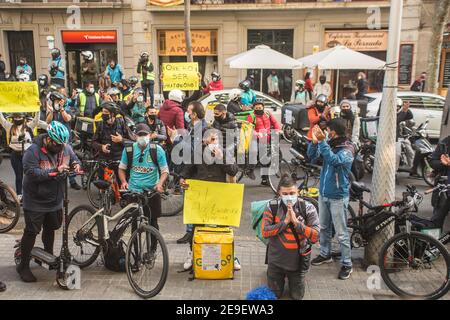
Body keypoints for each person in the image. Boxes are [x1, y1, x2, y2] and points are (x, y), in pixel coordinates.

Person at [17, 121, 81, 282]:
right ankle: (23, 265)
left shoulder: (64, 147)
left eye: (62, 144)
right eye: (57, 144)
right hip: (35, 199)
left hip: (55, 198)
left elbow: (74, 159)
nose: (61, 148)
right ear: (49, 140)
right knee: (31, 231)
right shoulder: (33, 151)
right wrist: (54, 171)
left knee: (51, 227)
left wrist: (76, 165)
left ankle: (47, 254)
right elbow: (31, 173)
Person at [179, 130, 240, 270]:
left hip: (219, 197)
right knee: (196, 227)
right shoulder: (197, 153)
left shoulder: (224, 152)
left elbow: (233, 170)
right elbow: (186, 171)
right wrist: (182, 180)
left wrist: (221, 157)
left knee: (223, 227)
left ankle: (231, 255)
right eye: (212, 139)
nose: (215, 142)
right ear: (205, 141)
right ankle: (192, 253)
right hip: (201, 196)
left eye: (217, 139)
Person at [308, 119, 355, 280]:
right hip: (324, 193)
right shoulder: (328, 143)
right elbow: (312, 157)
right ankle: (325, 254)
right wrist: (314, 143)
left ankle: (347, 264)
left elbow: (334, 161)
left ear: (334, 131)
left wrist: (322, 142)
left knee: (342, 233)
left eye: (328, 130)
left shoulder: (347, 148)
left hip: (338, 197)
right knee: (324, 227)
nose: (326, 132)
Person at [262, 175, 319, 300]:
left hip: (297, 264)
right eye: (285, 194)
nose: (289, 197)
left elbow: (315, 237)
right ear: (279, 193)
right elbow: (265, 232)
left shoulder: (308, 208)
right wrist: (285, 222)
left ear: (298, 192)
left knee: (297, 296)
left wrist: (297, 223)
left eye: (292, 193)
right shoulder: (272, 207)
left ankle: (295, 280)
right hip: (276, 262)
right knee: (274, 295)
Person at [118, 123, 168, 256]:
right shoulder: (129, 150)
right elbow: (121, 169)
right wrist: (123, 182)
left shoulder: (157, 150)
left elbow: (164, 171)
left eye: (144, 135)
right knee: (134, 225)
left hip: (152, 192)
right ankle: (136, 254)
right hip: (134, 191)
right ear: (135, 136)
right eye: (139, 135)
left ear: (150, 135)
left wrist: (160, 184)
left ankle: (152, 250)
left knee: (153, 222)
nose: (142, 137)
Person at [175, 102, 208, 245]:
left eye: (188, 111)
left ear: (194, 114)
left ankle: (192, 234)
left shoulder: (202, 129)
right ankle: (190, 232)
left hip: (197, 173)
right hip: (191, 171)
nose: (186, 114)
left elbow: (194, 153)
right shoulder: (193, 127)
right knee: (190, 204)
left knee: (194, 204)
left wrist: (177, 141)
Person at [0, 112, 46, 199]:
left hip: (27, 155)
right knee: (19, 175)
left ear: (24, 118)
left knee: (30, 174)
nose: (18, 118)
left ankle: (32, 193)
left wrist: (37, 109)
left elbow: (36, 120)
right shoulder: (9, 126)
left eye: (19, 116)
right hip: (15, 154)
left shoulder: (29, 126)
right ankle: (19, 195)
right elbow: (2, 120)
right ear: (13, 118)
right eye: (16, 117)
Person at [45, 91, 81, 190]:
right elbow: (47, 121)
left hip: (66, 141)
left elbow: (68, 119)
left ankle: (72, 181)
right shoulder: (53, 111)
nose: (56, 103)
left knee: (68, 159)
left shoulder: (67, 109)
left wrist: (61, 109)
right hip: (54, 141)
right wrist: (52, 111)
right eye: (55, 101)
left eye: (58, 101)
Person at [246, 101, 281, 185]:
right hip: (255, 139)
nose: (259, 109)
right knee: (255, 153)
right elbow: (249, 129)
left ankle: (265, 179)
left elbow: (275, 123)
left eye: (260, 108)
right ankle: (250, 170)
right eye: (256, 108)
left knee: (266, 159)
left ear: (263, 107)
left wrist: (278, 130)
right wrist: (257, 134)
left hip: (266, 138)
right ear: (253, 108)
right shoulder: (251, 117)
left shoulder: (267, 114)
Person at [92, 102, 134, 170]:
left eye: (106, 112)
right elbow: (93, 142)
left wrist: (121, 140)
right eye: (102, 112)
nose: (103, 114)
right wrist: (101, 147)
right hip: (104, 160)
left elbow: (133, 142)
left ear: (113, 114)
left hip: (119, 160)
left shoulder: (122, 123)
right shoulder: (101, 125)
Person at [429, 135, 450, 228]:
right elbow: (433, 161)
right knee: (436, 222)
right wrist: (442, 163)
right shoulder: (446, 142)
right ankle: (433, 242)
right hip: (444, 189)